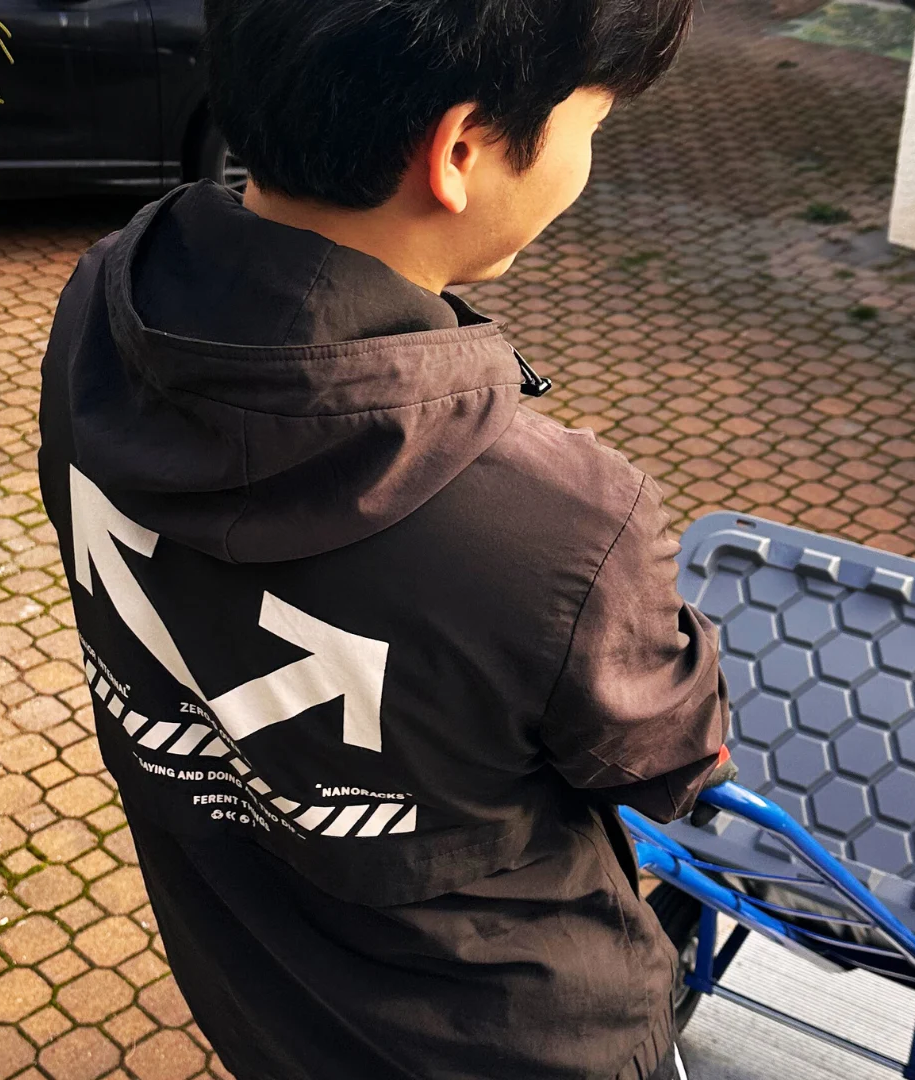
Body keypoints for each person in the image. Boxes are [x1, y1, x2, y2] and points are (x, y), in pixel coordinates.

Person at [36, 1, 731, 1076]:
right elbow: (669, 763)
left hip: (254, 993)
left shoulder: (99, 312)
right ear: (459, 151)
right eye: (591, 124)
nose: (586, 160)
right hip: (519, 1045)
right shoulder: (561, 524)